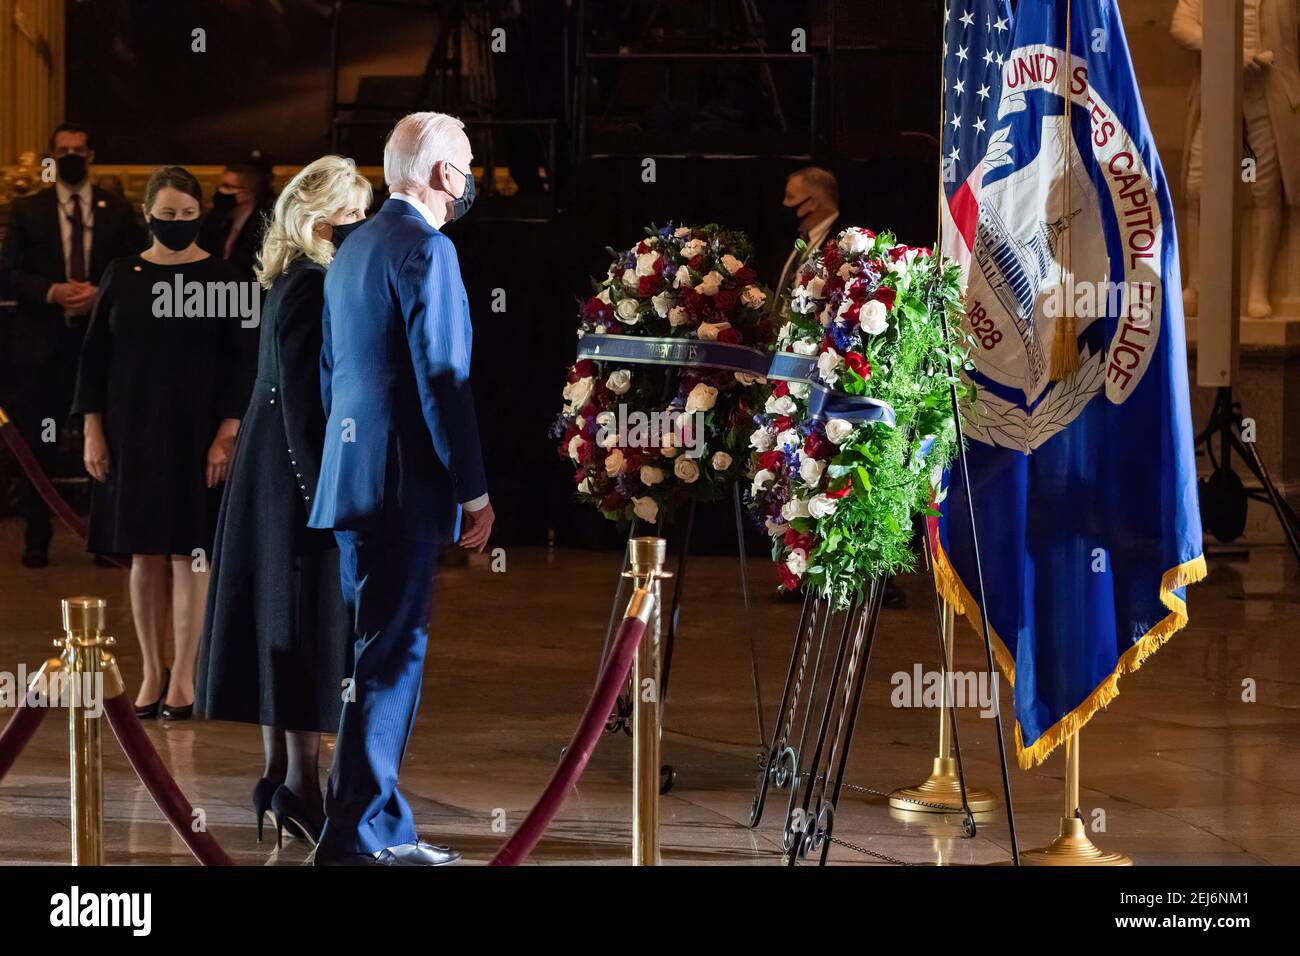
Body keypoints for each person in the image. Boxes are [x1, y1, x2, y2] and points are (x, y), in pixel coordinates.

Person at [308, 112, 494, 866]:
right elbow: (443, 382)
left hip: (352, 479)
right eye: (470, 162)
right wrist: (474, 491)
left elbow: (331, 373)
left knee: (368, 658)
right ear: (445, 174)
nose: (474, 175)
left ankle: (366, 820)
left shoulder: (353, 249)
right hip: (401, 486)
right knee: (391, 658)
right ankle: (360, 834)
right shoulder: (429, 248)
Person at [195, 157, 372, 848]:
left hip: (271, 475)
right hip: (293, 480)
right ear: (325, 219)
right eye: (356, 214)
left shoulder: (287, 277)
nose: (364, 227)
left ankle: (279, 778)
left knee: (282, 622)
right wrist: (322, 495)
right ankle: (298, 783)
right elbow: (302, 402)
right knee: (302, 625)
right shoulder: (314, 282)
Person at [72, 166, 256, 720]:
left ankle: (185, 676)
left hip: (198, 436)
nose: (177, 223)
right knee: (144, 555)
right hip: (132, 434)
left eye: (187, 214)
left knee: (189, 555)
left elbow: (243, 367)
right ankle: (151, 670)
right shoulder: (121, 273)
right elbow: (94, 358)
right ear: (149, 214)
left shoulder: (225, 278)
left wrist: (227, 433)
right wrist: (92, 428)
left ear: (200, 215)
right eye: (167, 214)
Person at [0, 122, 144, 567]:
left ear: (92, 154)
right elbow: (8, 272)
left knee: (103, 445)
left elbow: (137, 267)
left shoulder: (117, 209)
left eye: (79, 149)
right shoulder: (29, 210)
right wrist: (52, 291)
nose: (71, 156)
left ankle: (102, 538)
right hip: (42, 348)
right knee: (38, 442)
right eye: (63, 151)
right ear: (51, 158)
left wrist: (102, 293)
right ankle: (37, 537)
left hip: (101, 346)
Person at [772, 166, 843, 313]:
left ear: (813, 203)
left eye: (790, 197)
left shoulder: (844, 242)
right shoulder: (797, 237)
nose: (784, 204)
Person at [198, 162, 275, 282]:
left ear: (247, 193)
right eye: (220, 186)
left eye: (227, 186)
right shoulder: (215, 219)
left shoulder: (266, 227)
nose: (220, 191)